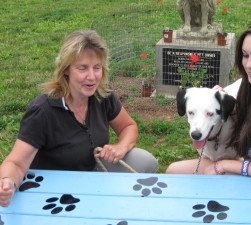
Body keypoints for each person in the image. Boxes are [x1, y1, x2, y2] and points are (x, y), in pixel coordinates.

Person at [0, 30, 158, 207]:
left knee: (146, 161)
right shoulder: (42, 111)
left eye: (96, 67)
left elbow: (128, 126)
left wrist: (121, 147)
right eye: (82, 68)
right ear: (66, 69)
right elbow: (16, 162)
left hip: (92, 171)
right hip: (56, 187)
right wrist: (7, 182)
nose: (92, 77)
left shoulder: (102, 95)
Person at [167, 16, 251, 180]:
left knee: (185, 178)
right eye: (245, 55)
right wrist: (217, 102)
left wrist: (226, 165)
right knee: (173, 171)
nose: (249, 64)